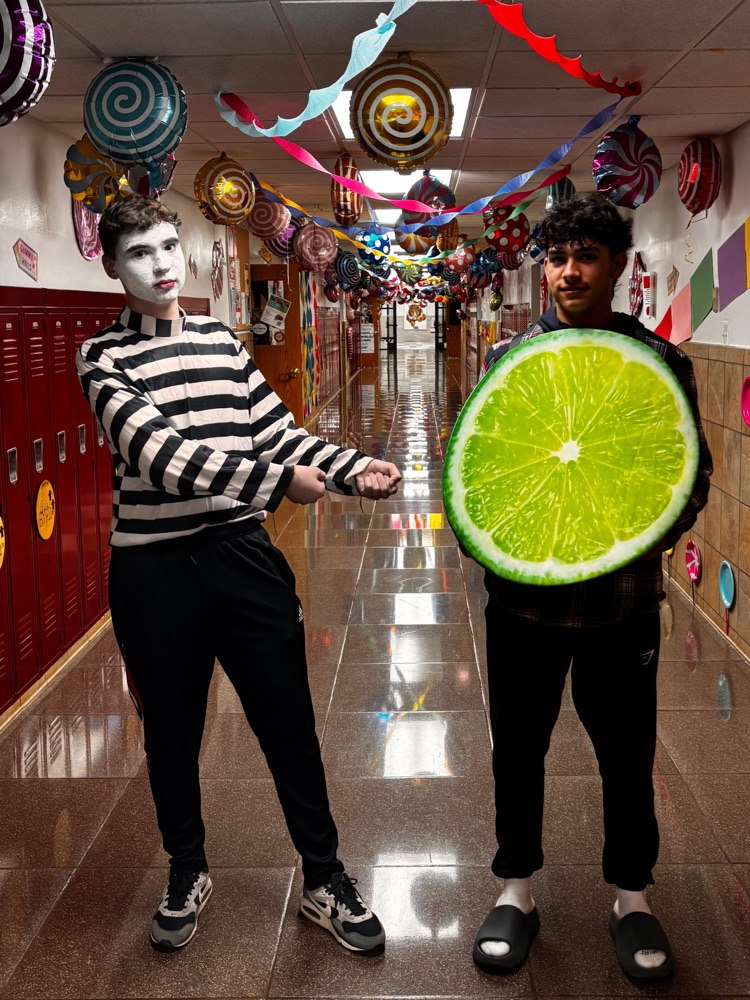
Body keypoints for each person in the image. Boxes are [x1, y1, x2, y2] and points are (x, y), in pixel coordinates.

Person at [76, 195, 402, 955]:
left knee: (287, 723)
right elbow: (162, 458)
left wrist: (352, 468)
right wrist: (277, 484)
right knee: (173, 733)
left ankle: (324, 880)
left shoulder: (223, 343)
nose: (160, 265)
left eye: (167, 247)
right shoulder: (104, 358)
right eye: (138, 254)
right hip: (154, 571)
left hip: (242, 559)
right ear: (113, 266)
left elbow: (276, 431)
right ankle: (187, 870)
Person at [470, 197, 712, 980]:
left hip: (621, 609)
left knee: (625, 755)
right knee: (518, 750)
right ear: (542, 267)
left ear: (617, 266)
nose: (569, 271)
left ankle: (631, 897)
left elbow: (691, 478)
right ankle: (516, 889)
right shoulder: (508, 358)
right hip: (520, 606)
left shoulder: (662, 364)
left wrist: (623, 535)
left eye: (587, 256)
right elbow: (484, 467)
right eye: (557, 257)